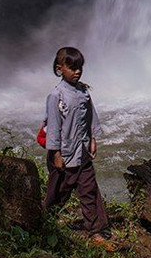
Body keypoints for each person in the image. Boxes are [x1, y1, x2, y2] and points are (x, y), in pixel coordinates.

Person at [43, 46, 109, 237]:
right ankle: (44, 222)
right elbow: (53, 126)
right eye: (72, 68)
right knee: (58, 193)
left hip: (83, 151)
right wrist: (56, 154)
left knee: (89, 190)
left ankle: (96, 229)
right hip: (64, 153)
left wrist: (93, 138)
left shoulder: (84, 92)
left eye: (80, 67)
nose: (77, 71)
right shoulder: (56, 96)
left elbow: (91, 116)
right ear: (59, 69)